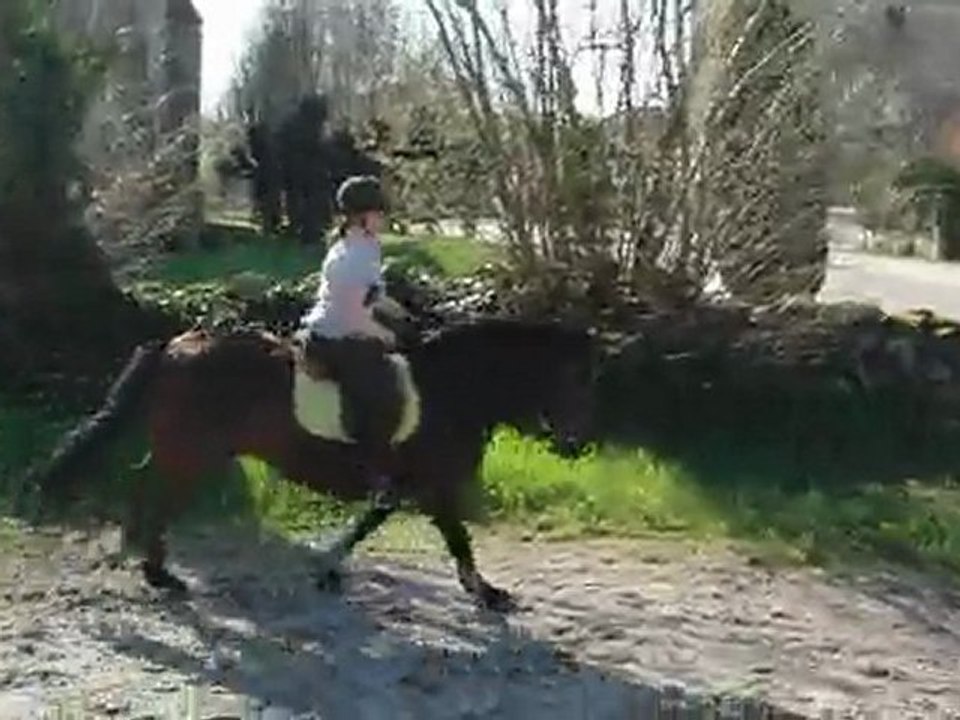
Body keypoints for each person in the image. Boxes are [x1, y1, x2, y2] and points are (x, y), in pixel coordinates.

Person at [296, 175, 400, 503]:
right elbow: (356, 315)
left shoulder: (363, 246)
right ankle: (369, 470)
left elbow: (375, 297)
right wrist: (387, 335)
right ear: (362, 216)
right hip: (335, 334)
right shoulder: (354, 254)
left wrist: (404, 316)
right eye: (379, 213)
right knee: (379, 389)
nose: (383, 219)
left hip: (343, 326)